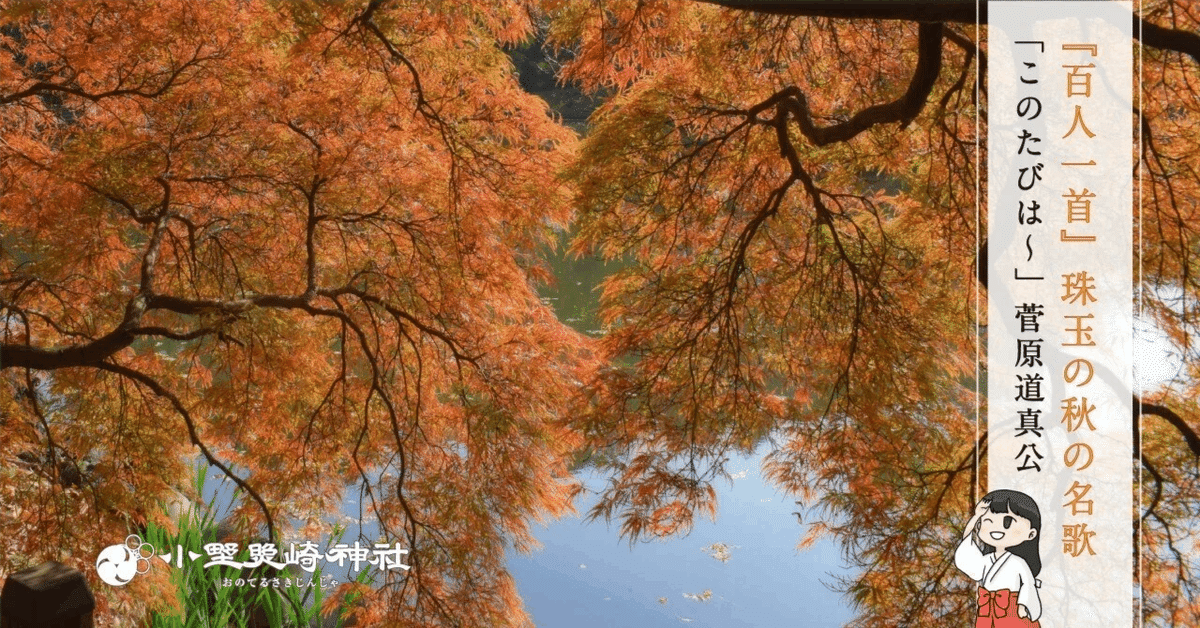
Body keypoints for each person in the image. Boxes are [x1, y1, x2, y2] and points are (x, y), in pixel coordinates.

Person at [955, 489, 1043, 627]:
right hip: (986, 610)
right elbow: (967, 552)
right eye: (988, 521)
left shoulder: (1018, 562)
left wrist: (1023, 605)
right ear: (978, 527)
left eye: (1007, 522)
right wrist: (976, 517)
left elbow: (1028, 583)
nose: (996, 528)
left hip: (1012, 610)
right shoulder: (986, 560)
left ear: (1031, 534)